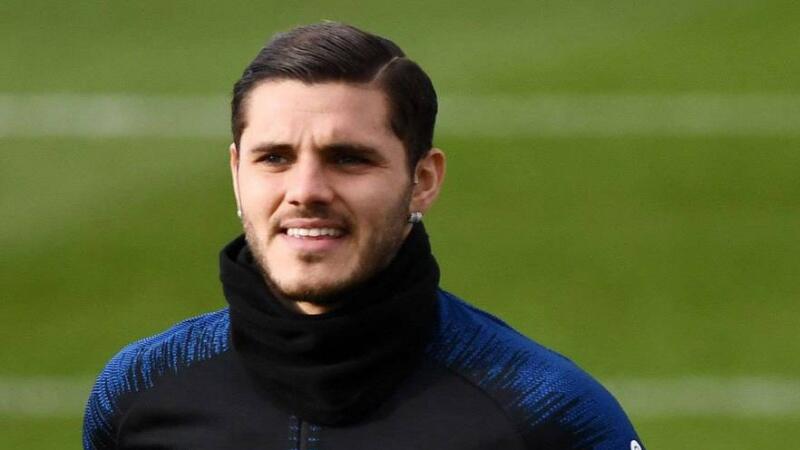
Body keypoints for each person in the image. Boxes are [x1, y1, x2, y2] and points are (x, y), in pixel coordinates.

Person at [83, 22, 645, 450]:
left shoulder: (547, 414)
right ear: (236, 174)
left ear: (422, 181)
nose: (305, 190)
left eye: (348, 158)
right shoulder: (137, 393)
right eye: (274, 158)